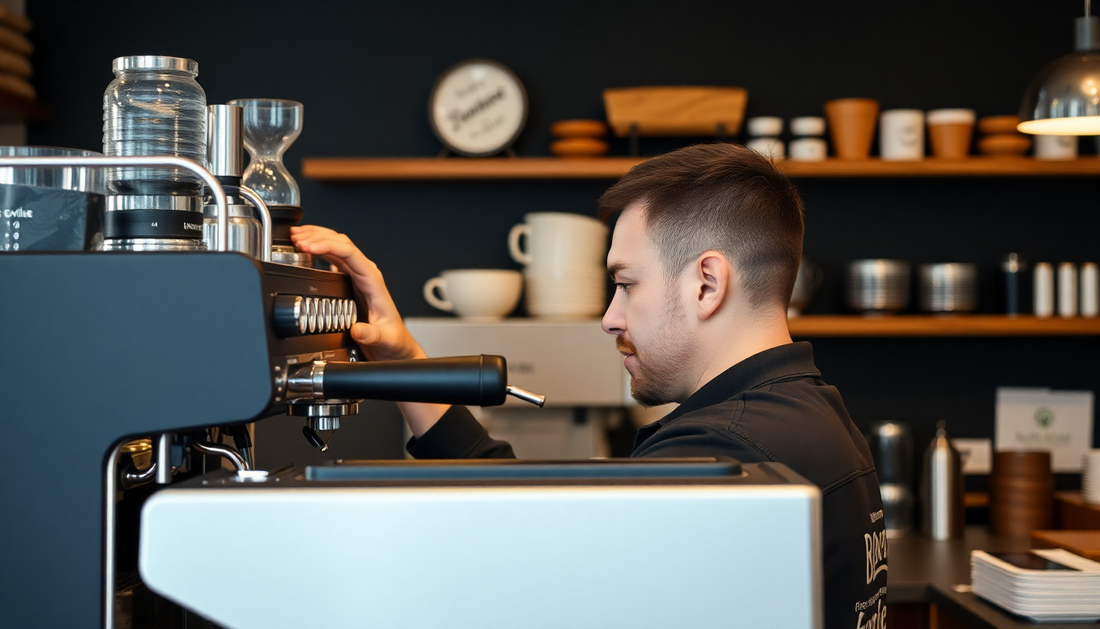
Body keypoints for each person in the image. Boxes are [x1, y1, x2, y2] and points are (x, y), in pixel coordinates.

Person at [290, 143, 887, 629]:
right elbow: (539, 524)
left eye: (626, 283)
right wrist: (402, 358)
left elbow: (536, 580)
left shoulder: (724, 455)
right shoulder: (808, 416)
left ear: (707, 283)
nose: (610, 316)